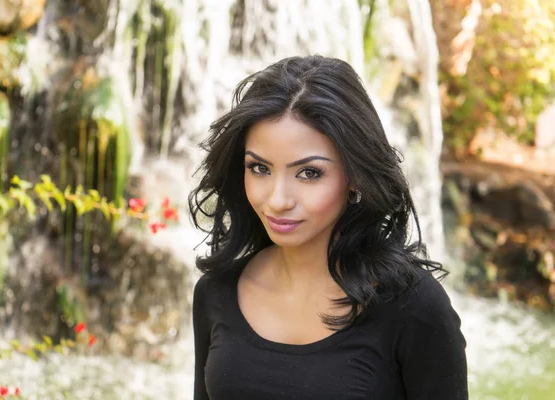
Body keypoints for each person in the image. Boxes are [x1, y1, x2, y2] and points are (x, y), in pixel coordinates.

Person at [188, 55, 468, 400]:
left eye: (309, 173)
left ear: (354, 177)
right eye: (260, 168)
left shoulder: (413, 307)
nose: (278, 200)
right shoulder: (216, 291)